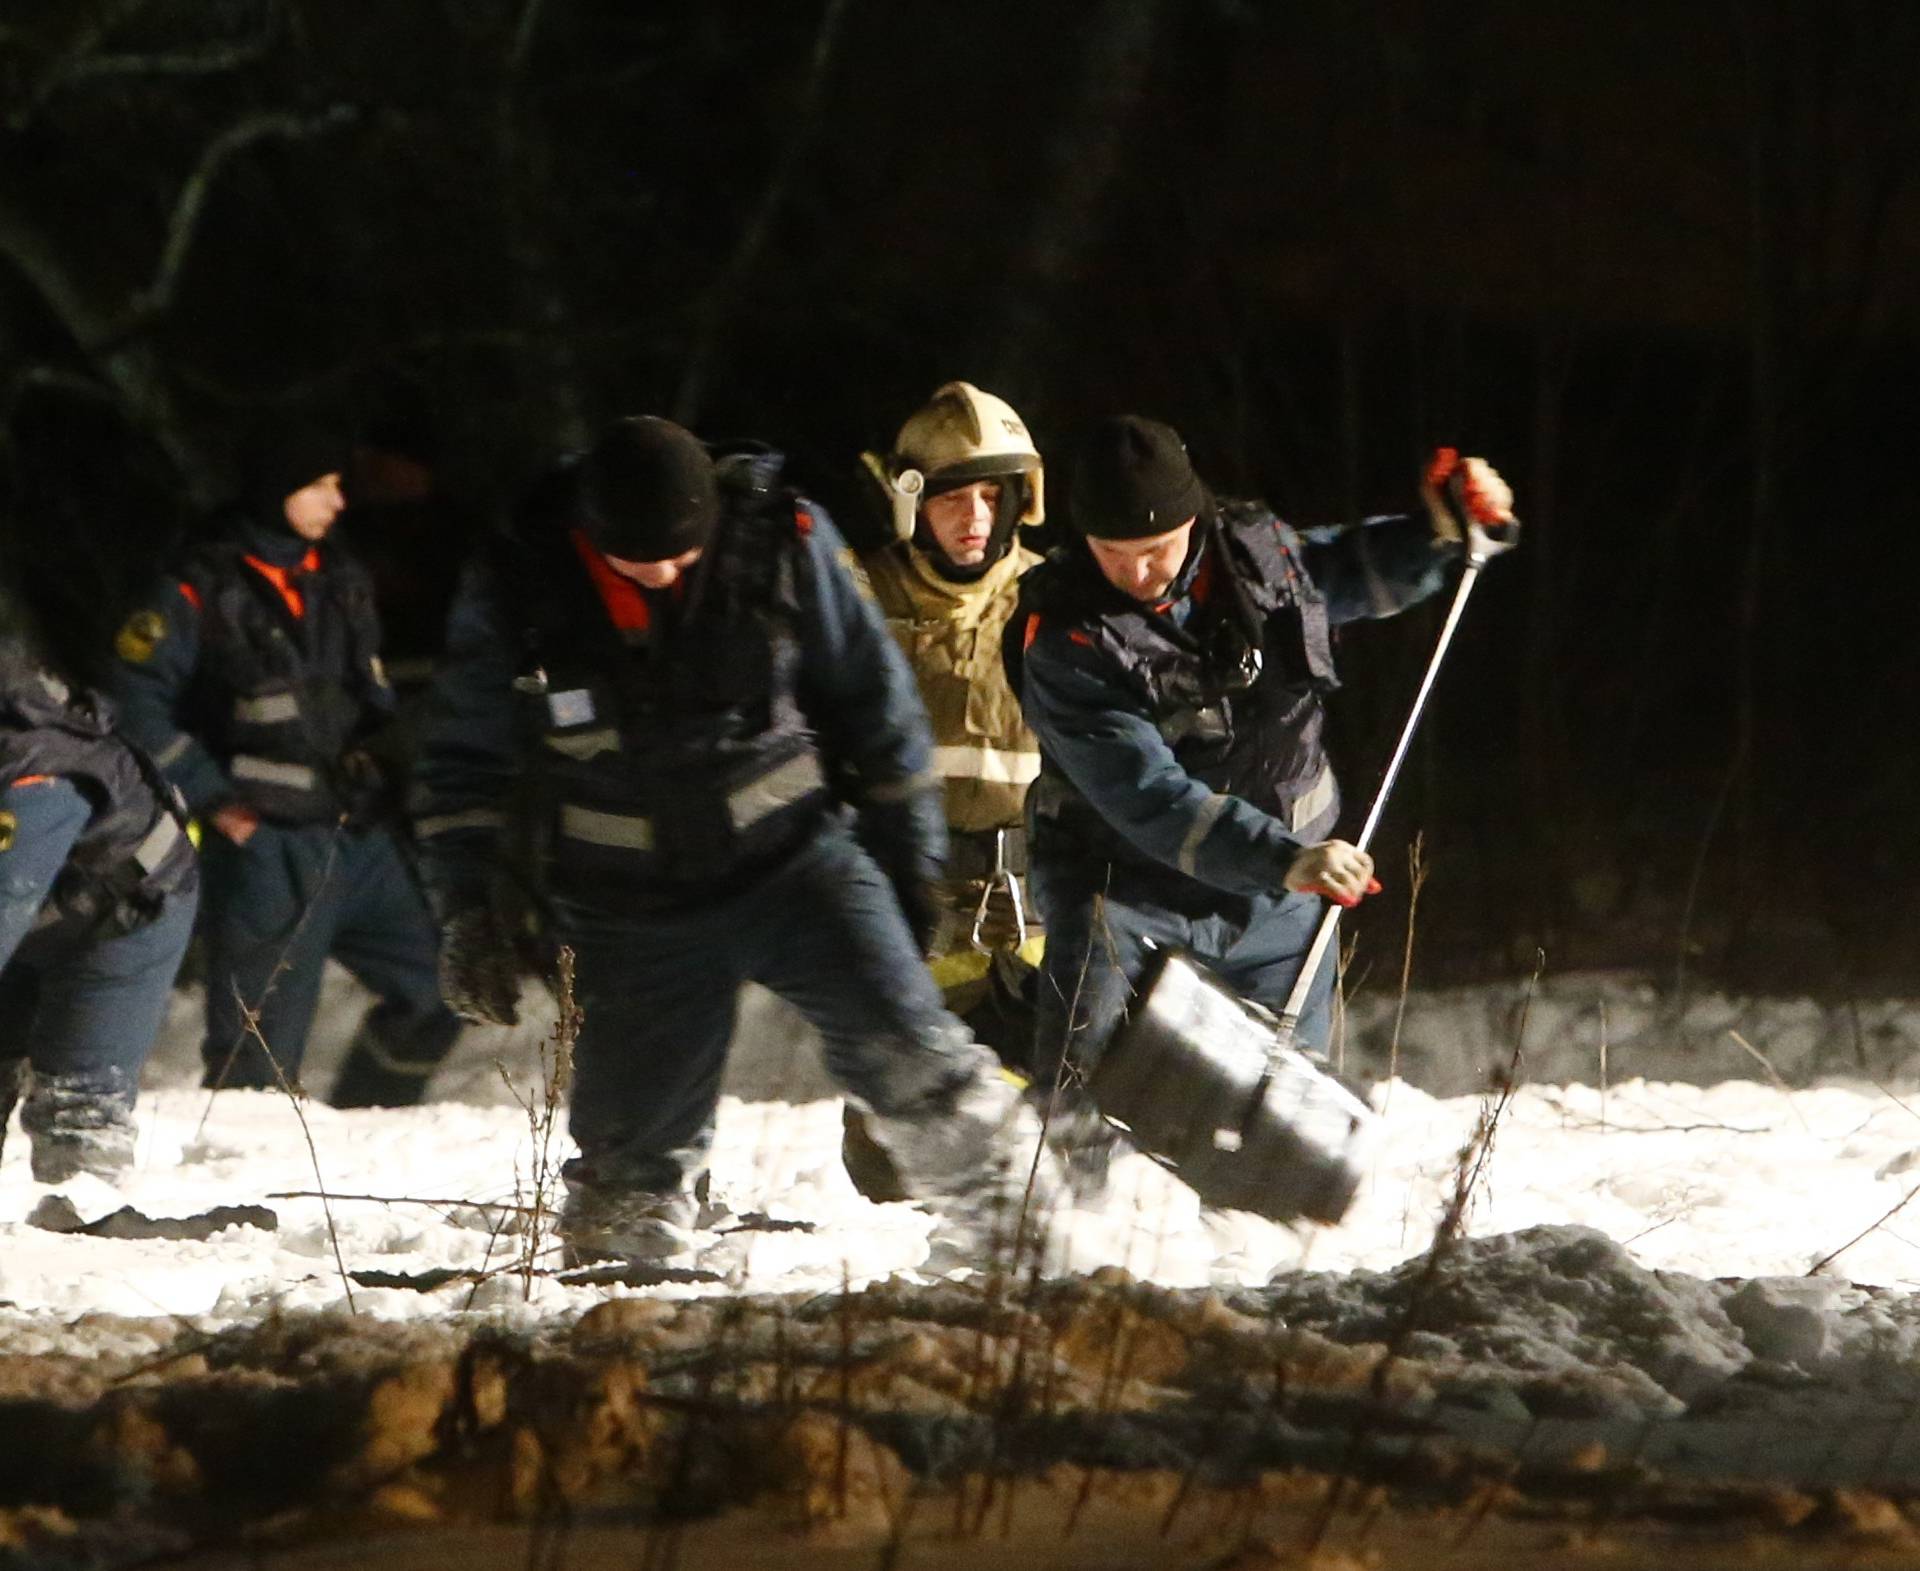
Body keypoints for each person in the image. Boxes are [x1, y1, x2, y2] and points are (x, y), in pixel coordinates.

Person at [412, 415, 1058, 1266]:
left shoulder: (779, 539)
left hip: (798, 862)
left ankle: (1017, 1222)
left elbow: (877, 708)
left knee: (912, 1046)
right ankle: (622, 1279)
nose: (662, 575)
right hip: (627, 899)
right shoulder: (522, 573)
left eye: (680, 556)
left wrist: (907, 876)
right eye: (635, 564)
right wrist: (467, 908)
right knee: (625, 1166)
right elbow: (463, 756)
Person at [1007, 415, 1516, 1190]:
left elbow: (1346, 569)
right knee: (1079, 1104)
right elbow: (1152, 797)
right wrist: (1286, 857)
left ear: (1196, 523)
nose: (1141, 573)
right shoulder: (1066, 637)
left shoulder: (1255, 554)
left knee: (1283, 1136)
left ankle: (1269, 1279)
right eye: (1117, 555)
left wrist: (1439, 535)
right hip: (1128, 896)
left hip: (1280, 912)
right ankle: (1064, 1253)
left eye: (1158, 550)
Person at [107, 423, 463, 1108]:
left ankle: (372, 1121)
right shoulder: (198, 586)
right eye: (323, 485)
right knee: (256, 1058)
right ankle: (241, 1202)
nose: (338, 500)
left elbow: (369, 696)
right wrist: (215, 799)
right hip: (265, 844)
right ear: (282, 489)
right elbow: (135, 702)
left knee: (441, 991)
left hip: (356, 833)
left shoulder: (339, 576)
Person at [0, 624, 199, 1183]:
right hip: (33, 907)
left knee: (79, 1127)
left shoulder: (33, 762)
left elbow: (5, 894)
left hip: (122, 916)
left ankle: (84, 1224)